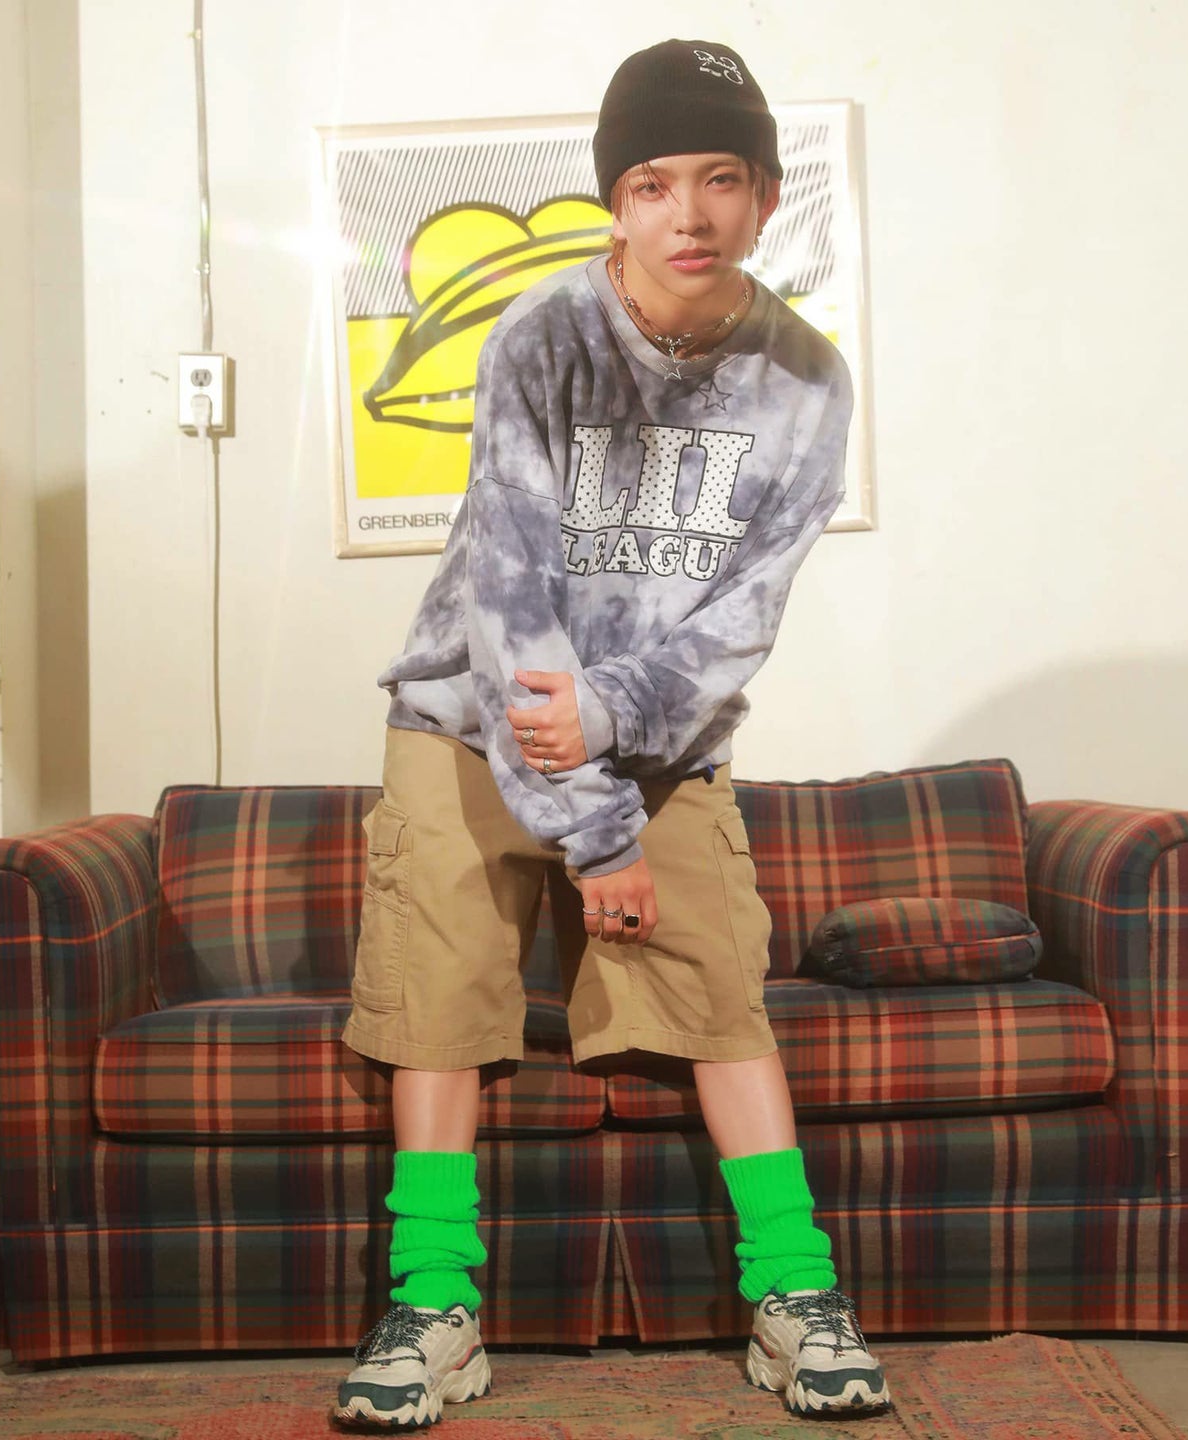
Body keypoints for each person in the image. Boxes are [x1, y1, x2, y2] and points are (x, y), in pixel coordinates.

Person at [334, 37, 891, 1429]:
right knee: (442, 1000)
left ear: (766, 196)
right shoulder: (542, 338)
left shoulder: (808, 382)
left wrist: (620, 729)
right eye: (651, 184)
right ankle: (434, 1303)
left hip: (663, 741)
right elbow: (511, 595)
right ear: (617, 203)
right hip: (467, 721)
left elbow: (744, 616)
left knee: (721, 996)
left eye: (720, 179)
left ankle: (794, 1292)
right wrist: (593, 831)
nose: (687, 215)